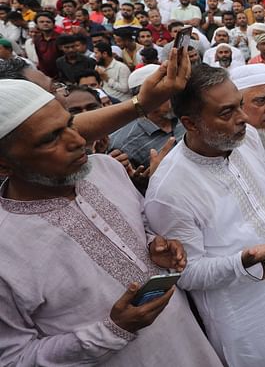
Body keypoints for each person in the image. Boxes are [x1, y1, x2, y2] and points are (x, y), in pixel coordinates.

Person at [0, 79, 222, 366]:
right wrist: (113, 331)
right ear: (3, 165)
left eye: (71, 124)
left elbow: (141, 224)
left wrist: (155, 244)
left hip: (191, 347)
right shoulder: (6, 249)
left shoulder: (107, 168)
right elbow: (14, 358)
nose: (78, 140)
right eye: (51, 138)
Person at [144, 64, 265, 367]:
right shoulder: (168, 191)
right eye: (226, 113)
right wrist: (242, 261)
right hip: (240, 312)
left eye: (239, 105)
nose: (242, 119)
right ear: (190, 122)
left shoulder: (247, 137)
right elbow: (187, 274)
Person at [109, 64, 184, 169]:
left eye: (173, 91)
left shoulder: (188, 117)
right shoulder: (122, 142)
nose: (170, 98)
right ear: (141, 99)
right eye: (163, 93)